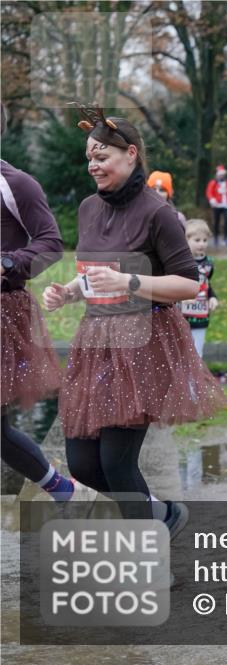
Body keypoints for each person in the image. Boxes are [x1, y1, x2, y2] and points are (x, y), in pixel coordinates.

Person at [43, 103, 226, 532]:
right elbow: (94, 270)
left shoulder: (156, 212)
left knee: (117, 463)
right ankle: (163, 514)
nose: (93, 164)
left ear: (130, 154)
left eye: (101, 156)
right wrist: (69, 292)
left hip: (143, 343)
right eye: (89, 156)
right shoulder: (89, 208)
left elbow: (188, 284)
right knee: (83, 463)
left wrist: (130, 283)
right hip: (96, 343)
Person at [1, 159, 74, 501]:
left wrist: (8, 262)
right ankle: (61, 489)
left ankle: (62, 489)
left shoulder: (16, 184)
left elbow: (51, 243)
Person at [179, 219, 219, 357]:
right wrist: (181, 298)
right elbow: (173, 285)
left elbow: (208, 284)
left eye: (204, 240)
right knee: (181, 353)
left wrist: (213, 297)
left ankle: (195, 379)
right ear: (186, 240)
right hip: (182, 316)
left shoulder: (209, 264)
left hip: (201, 317)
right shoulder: (181, 262)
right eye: (197, 240)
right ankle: (181, 379)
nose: (201, 244)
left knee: (197, 353)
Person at [205, 164, 227, 247]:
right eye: (220, 175)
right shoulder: (213, 183)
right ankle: (216, 239)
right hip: (217, 205)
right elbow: (209, 192)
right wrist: (212, 200)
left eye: (223, 175)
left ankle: (225, 239)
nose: (221, 176)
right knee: (216, 222)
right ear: (217, 175)